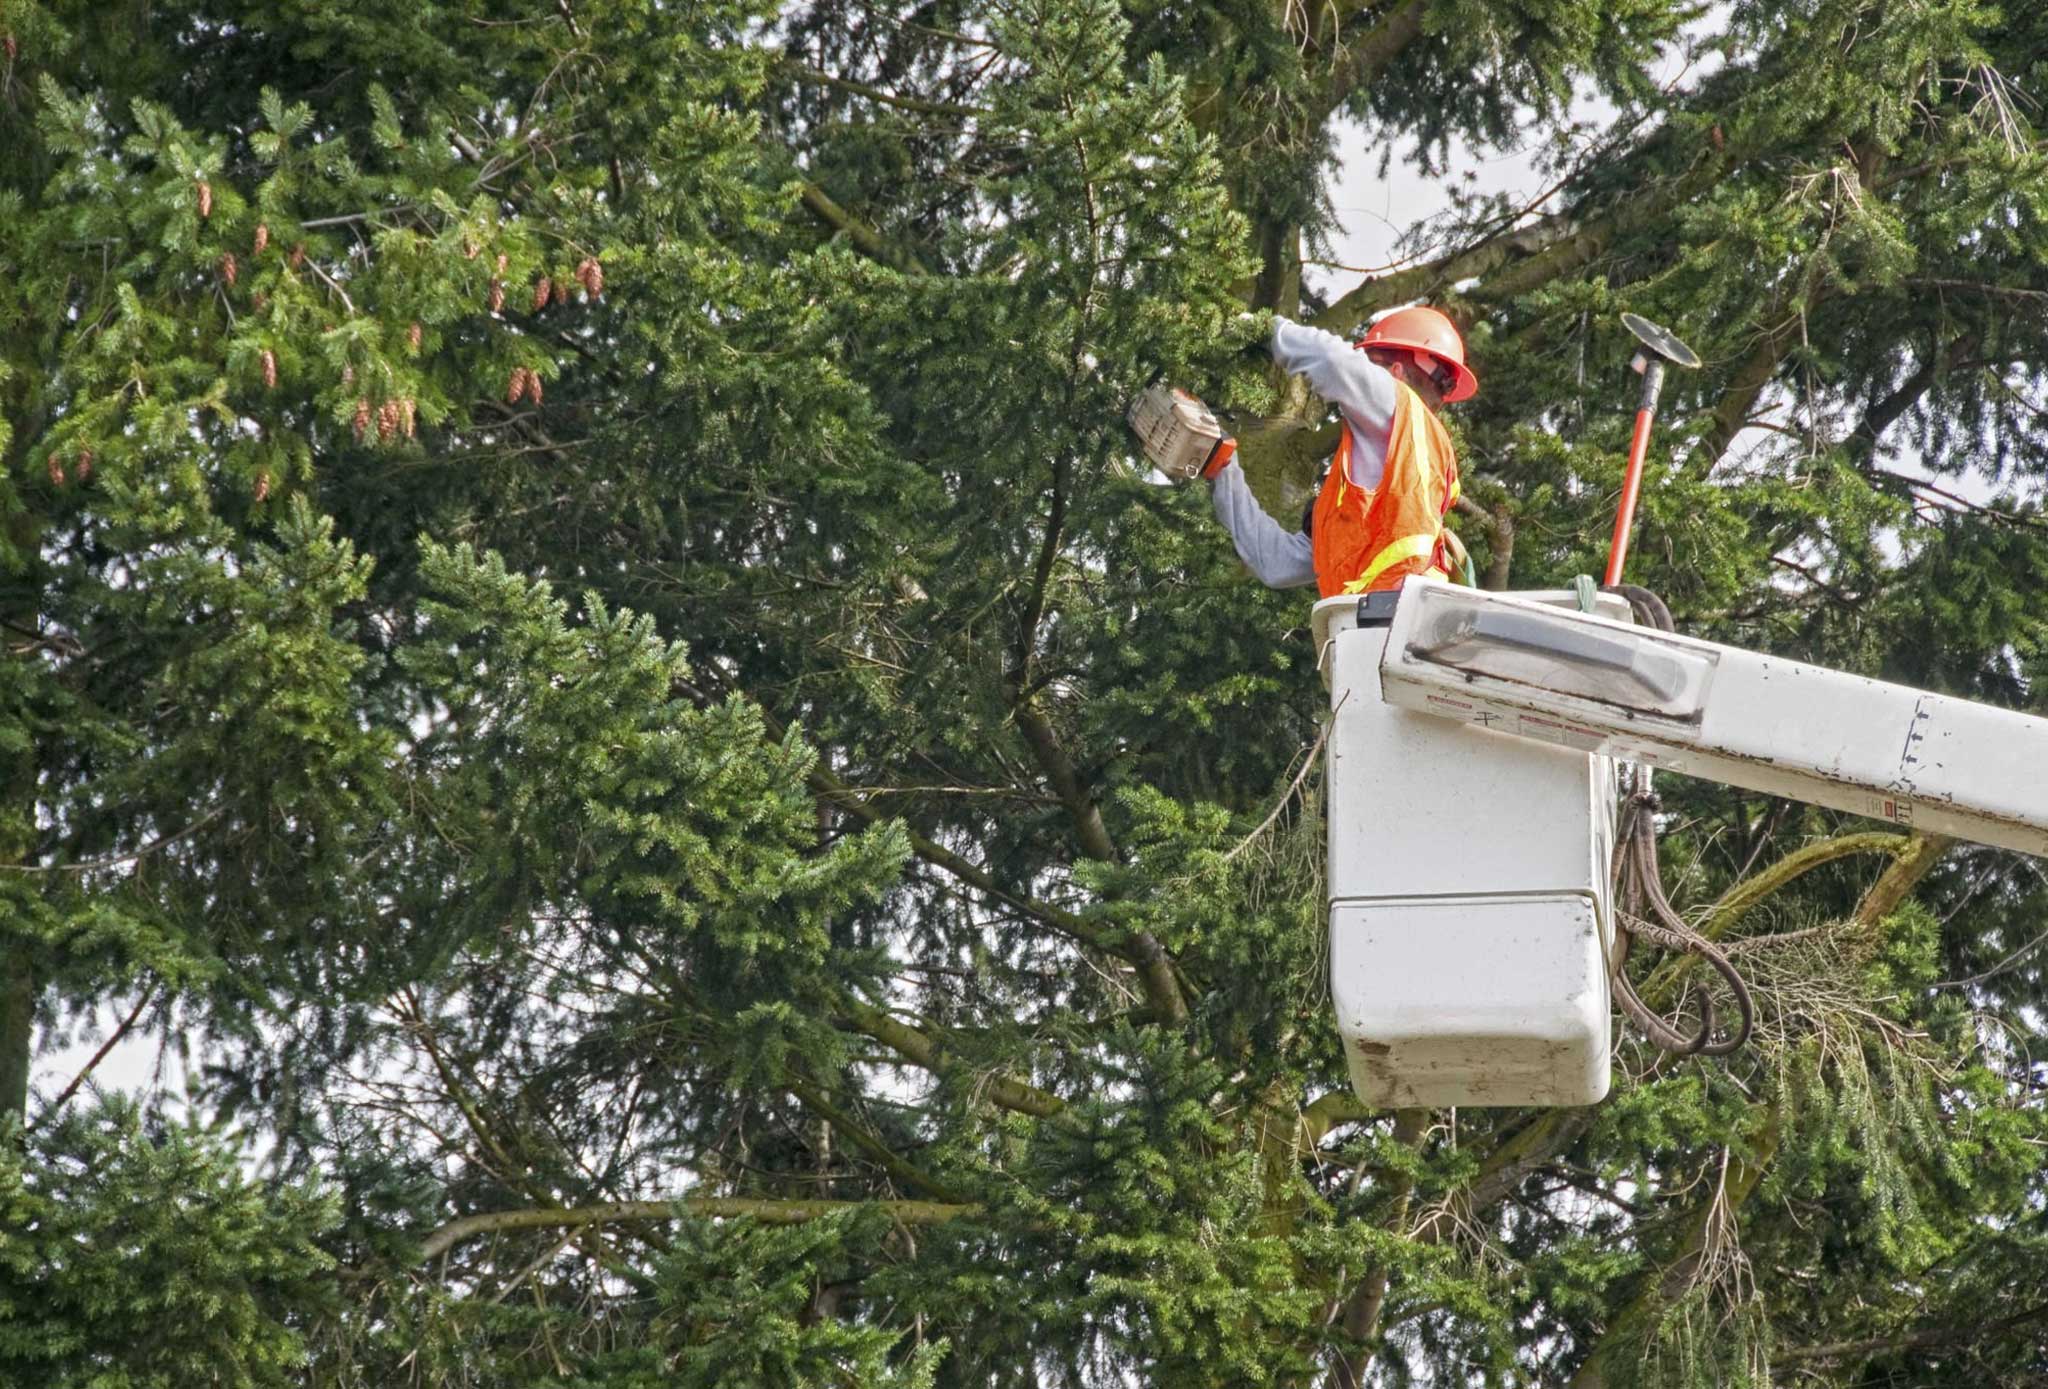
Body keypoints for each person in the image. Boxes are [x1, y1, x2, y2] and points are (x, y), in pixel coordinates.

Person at [1207, 307, 1477, 596]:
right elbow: (1277, 564)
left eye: (1371, 365)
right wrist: (1221, 465)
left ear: (1394, 373)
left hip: (1390, 611)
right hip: (1389, 616)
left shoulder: (1397, 402)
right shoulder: (1396, 489)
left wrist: (1263, 328)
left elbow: (1332, 359)